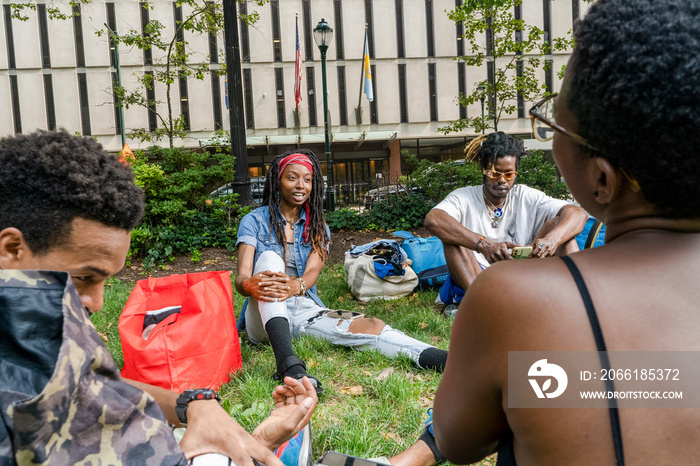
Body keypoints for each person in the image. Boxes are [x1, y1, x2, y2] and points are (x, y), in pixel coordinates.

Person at [433, 0, 700, 463]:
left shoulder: (511, 301)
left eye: (553, 120)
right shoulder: (466, 204)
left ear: (601, 179)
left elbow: (457, 442)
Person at [0, 130, 317, 465]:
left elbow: (90, 384)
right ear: (11, 250)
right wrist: (255, 447)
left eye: (105, 281)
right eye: (84, 278)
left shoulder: (33, 325)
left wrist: (193, 406)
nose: (97, 302)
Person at [235, 150, 448, 393]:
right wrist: (248, 285)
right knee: (270, 258)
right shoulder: (254, 220)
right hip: (262, 317)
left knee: (370, 324)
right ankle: (288, 365)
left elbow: (311, 273)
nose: (300, 185)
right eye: (292, 178)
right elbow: (241, 277)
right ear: (277, 181)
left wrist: (296, 287)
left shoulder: (318, 226)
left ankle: (442, 358)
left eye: (307, 179)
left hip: (304, 308)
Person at [424, 132, 588, 314]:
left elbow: (578, 214)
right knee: (451, 238)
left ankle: (576, 303)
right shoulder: (464, 196)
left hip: (522, 275)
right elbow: (433, 220)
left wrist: (552, 239)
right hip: (476, 278)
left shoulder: (526, 195)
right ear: (484, 171)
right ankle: (484, 307)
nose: (502, 180)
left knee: (560, 228)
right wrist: (484, 245)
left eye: (509, 174)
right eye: (495, 173)